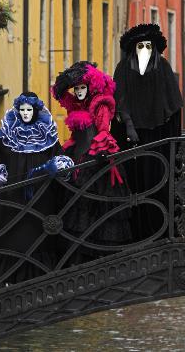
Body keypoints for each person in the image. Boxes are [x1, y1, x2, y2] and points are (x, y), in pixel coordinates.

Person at [0, 92, 73, 284]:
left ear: (36, 111)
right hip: (11, 194)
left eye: (29, 110)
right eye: (22, 110)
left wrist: (57, 166)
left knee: (37, 232)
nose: (25, 114)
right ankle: (9, 275)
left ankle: (38, 275)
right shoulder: (7, 133)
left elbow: (58, 157)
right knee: (12, 231)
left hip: (41, 195)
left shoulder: (47, 134)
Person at [52, 61, 133, 265]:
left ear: (90, 87)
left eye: (82, 87)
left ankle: (98, 258)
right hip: (77, 158)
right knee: (77, 205)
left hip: (96, 161)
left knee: (95, 204)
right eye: (76, 88)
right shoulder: (77, 106)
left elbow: (104, 130)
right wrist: (64, 83)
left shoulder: (101, 104)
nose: (79, 91)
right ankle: (78, 256)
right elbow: (61, 95)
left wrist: (100, 150)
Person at [112, 23, 183, 243]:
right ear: (133, 48)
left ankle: (161, 231)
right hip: (130, 141)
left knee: (158, 183)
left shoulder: (162, 68)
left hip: (159, 140)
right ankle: (133, 234)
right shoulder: (123, 69)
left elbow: (173, 106)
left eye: (148, 46)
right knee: (133, 185)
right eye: (140, 46)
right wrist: (129, 126)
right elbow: (119, 101)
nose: (144, 49)